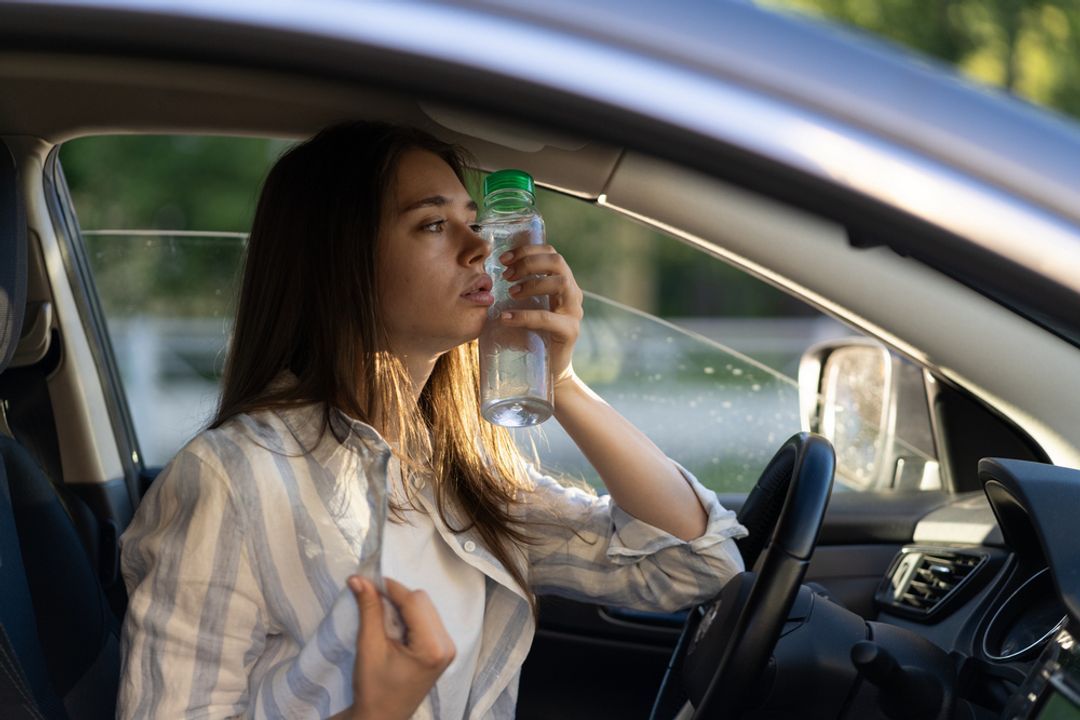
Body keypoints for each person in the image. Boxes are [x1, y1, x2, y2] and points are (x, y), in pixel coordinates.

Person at [116, 121, 747, 720]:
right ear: (342, 262)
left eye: (475, 223)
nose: (480, 249)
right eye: (433, 224)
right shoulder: (234, 478)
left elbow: (692, 564)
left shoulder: (449, 470)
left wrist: (560, 382)